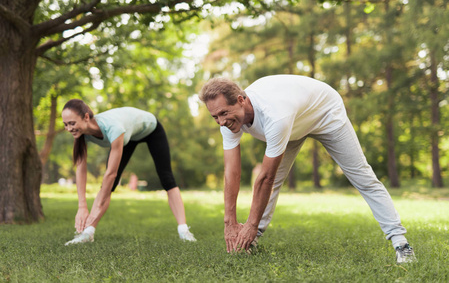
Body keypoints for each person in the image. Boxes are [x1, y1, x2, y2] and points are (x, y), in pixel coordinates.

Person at [199, 75, 416, 264]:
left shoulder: (274, 116)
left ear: (241, 100)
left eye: (223, 113)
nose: (220, 121)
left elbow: (265, 177)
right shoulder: (228, 120)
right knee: (272, 182)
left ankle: (401, 243)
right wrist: (230, 222)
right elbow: (232, 172)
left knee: (363, 177)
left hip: (324, 112)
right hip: (294, 121)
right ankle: (252, 240)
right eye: (215, 116)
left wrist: (249, 224)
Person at [61, 99, 196, 245]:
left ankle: (184, 230)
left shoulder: (113, 127)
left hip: (150, 129)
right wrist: (82, 206)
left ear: (86, 117)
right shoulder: (81, 134)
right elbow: (81, 169)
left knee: (167, 178)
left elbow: (111, 174)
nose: (69, 128)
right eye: (65, 124)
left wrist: (95, 209)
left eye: (72, 123)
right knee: (107, 187)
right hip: (127, 136)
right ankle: (88, 233)